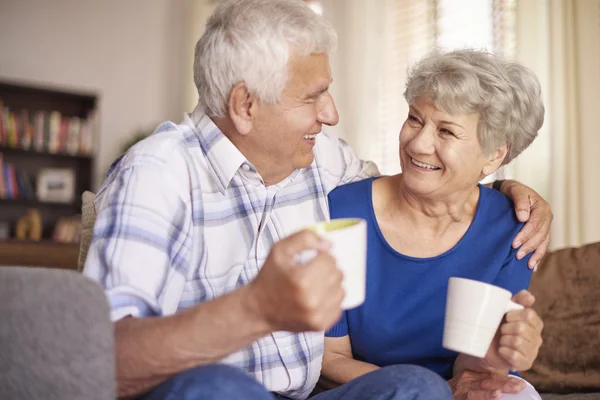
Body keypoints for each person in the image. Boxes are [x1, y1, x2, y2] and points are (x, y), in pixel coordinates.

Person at [82, 1, 552, 399]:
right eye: (315, 95)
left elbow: (414, 188)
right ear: (246, 105)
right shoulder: (157, 176)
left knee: (417, 388)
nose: (331, 114)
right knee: (219, 386)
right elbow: (101, 360)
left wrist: (506, 190)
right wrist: (253, 309)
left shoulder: (317, 156)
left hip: (308, 394)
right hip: (213, 391)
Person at [321, 49, 546, 400]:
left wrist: (500, 352)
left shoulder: (512, 229)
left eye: (446, 131)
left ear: (494, 155)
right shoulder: (343, 211)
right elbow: (330, 358)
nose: (419, 143)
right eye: (415, 118)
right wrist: (434, 392)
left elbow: (473, 368)